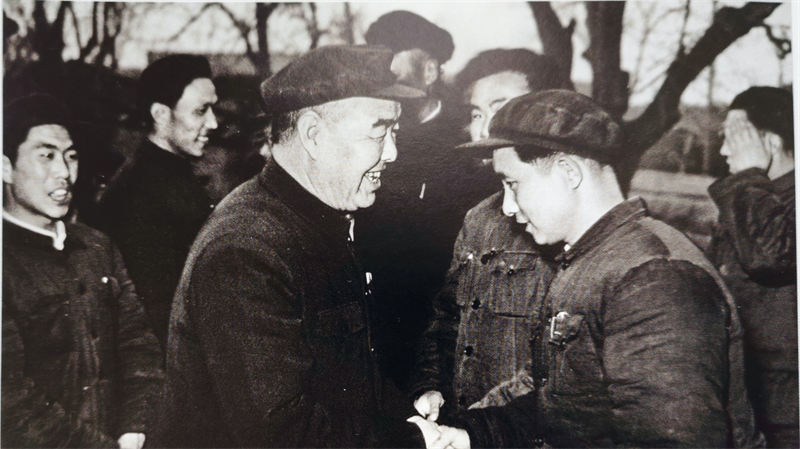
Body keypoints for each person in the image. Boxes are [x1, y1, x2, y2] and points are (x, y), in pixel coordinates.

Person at [427, 90, 765, 449]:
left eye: (513, 184)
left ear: (568, 172)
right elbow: (562, 404)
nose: (508, 207)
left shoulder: (653, 277)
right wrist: (470, 435)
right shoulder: (592, 259)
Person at [149, 46, 435, 449]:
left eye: (395, 132)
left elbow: (353, 380)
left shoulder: (314, 219)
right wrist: (412, 439)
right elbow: (281, 433)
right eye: (378, 131)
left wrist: (410, 415)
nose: (392, 153)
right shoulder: (245, 250)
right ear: (314, 136)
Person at [410, 49, 572, 420]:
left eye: (501, 109)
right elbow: (446, 319)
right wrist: (430, 385)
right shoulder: (479, 218)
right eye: (476, 114)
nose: (485, 129)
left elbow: (561, 369)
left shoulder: (566, 225)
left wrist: (476, 429)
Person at [2, 94, 163, 449]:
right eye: (46, 156)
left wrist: (134, 428)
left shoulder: (97, 247)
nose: (64, 172)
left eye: (71, 156)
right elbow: (9, 402)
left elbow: (139, 345)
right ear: (5, 168)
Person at [357, 11, 468, 388]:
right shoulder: (370, 137)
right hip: (379, 319)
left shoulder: (464, 146)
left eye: (396, 71)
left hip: (440, 331)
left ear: (430, 71)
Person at [93, 54, 218, 354]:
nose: (213, 122)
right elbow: (156, 313)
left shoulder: (169, 175)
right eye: (201, 111)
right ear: (160, 114)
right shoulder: (136, 194)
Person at [706, 86, 797, 449]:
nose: (724, 151)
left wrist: (748, 176)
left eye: (734, 137)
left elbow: (768, 257)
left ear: (770, 142)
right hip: (751, 400)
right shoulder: (754, 198)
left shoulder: (760, 196)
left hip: (787, 413)